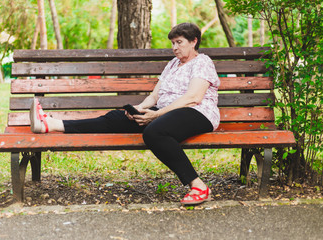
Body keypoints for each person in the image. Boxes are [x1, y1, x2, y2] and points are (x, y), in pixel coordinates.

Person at [30, 22, 220, 205]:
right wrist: (140, 109)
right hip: (166, 113)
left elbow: (193, 97)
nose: (175, 48)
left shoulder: (202, 62)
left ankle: (198, 186)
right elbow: (154, 96)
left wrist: (156, 115)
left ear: (194, 41)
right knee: (115, 118)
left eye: (179, 42)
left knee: (154, 132)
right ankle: (51, 124)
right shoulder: (172, 64)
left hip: (197, 112)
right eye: (172, 43)